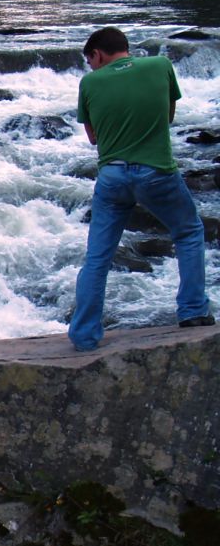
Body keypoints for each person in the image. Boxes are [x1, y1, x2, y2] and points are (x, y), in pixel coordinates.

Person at [70, 26, 213, 351]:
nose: (91, 68)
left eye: (90, 61)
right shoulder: (160, 66)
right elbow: (168, 115)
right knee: (188, 232)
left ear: (98, 54)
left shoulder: (90, 83)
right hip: (157, 172)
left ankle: (83, 336)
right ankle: (192, 312)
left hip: (112, 177)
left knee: (97, 259)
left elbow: (94, 139)